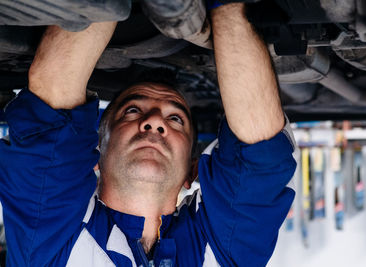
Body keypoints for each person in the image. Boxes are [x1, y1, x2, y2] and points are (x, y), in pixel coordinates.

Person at [0, 2, 296, 267]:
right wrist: (227, 8)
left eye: (175, 118)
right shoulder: (217, 256)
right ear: (98, 154)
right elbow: (260, 159)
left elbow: (52, 106)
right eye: (132, 111)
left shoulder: (46, 245)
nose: (154, 122)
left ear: (191, 171)